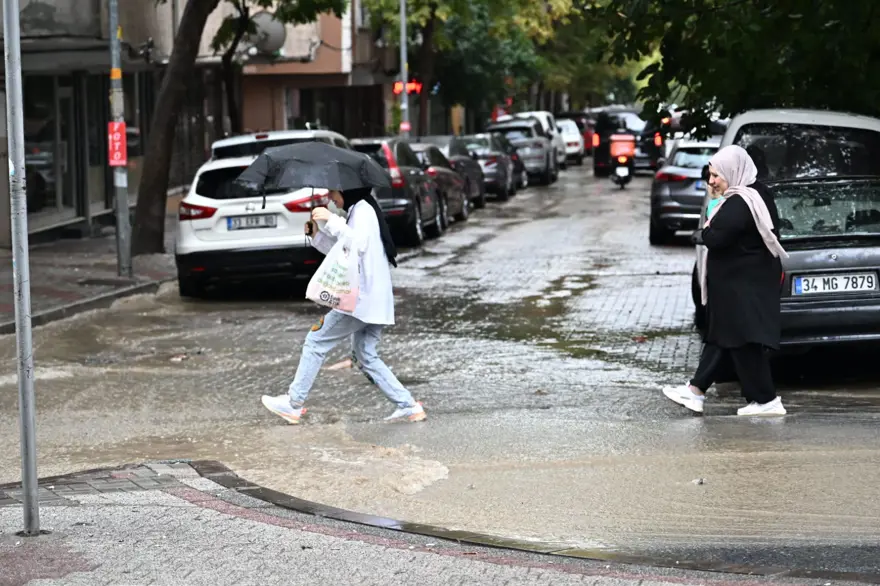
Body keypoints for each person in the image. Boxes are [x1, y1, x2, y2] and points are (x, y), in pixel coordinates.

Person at [260, 187, 426, 424]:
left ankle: (293, 403)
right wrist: (316, 234)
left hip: (362, 300)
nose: (331, 198)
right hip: (373, 300)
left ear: (347, 189)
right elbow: (344, 249)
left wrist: (331, 219)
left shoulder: (363, 210)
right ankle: (408, 406)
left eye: (334, 192)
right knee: (364, 355)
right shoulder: (358, 211)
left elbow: (358, 243)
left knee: (316, 341)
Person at [663, 145, 788, 416]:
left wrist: (702, 234)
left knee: (737, 339)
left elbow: (716, 236)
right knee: (726, 338)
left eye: (716, 175)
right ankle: (699, 391)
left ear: (733, 171)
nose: (712, 181)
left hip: (741, 286)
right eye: (710, 175)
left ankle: (763, 400)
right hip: (743, 284)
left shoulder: (740, 201)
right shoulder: (756, 194)